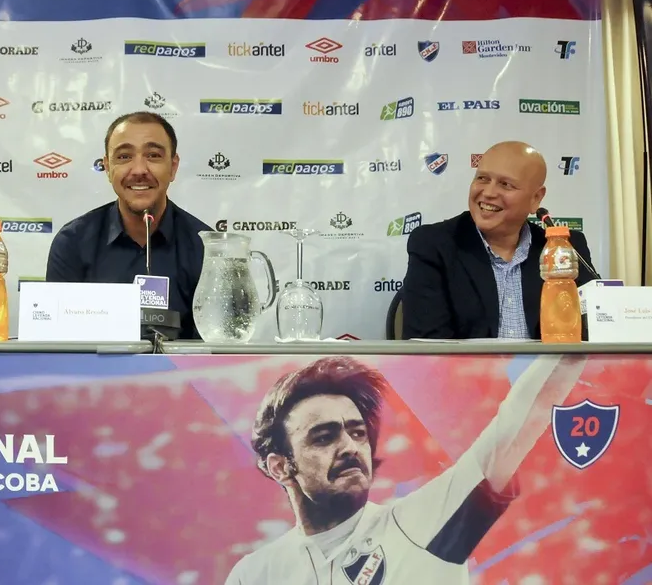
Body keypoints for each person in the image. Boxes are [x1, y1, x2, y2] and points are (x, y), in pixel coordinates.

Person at [225, 354, 585, 584]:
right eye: (323, 437)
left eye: (357, 432)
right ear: (280, 467)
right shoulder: (254, 574)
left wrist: (571, 346)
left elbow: (512, 428)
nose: (350, 446)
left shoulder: (420, 524)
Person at [402, 141, 596, 340]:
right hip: (466, 372)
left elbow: (594, 331)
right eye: (483, 179)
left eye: (506, 184)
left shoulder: (563, 249)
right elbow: (427, 346)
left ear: (536, 198)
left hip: (553, 371)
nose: (488, 193)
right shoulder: (434, 245)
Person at [45, 111, 211, 339]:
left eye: (153, 155)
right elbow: (57, 345)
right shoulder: (72, 243)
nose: (139, 170)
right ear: (107, 167)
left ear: (173, 167)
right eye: (124, 157)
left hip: (181, 375)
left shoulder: (206, 248)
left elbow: (216, 354)